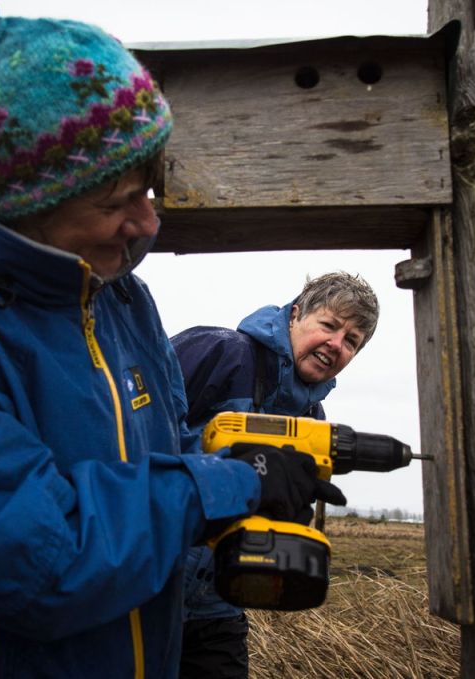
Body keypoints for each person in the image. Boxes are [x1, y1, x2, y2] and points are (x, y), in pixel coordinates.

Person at [0, 9, 345, 677]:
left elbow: (151, 458)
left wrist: (242, 461)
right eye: (117, 199)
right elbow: (36, 560)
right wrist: (217, 486)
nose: (148, 220)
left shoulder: (116, 296)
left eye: (150, 189)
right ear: (23, 203)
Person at [171, 272, 380, 678]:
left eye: (352, 341)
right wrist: (236, 474)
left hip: (218, 606)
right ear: (295, 314)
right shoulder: (219, 352)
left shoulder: (313, 419)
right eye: (330, 325)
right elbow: (130, 434)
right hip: (147, 590)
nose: (336, 345)